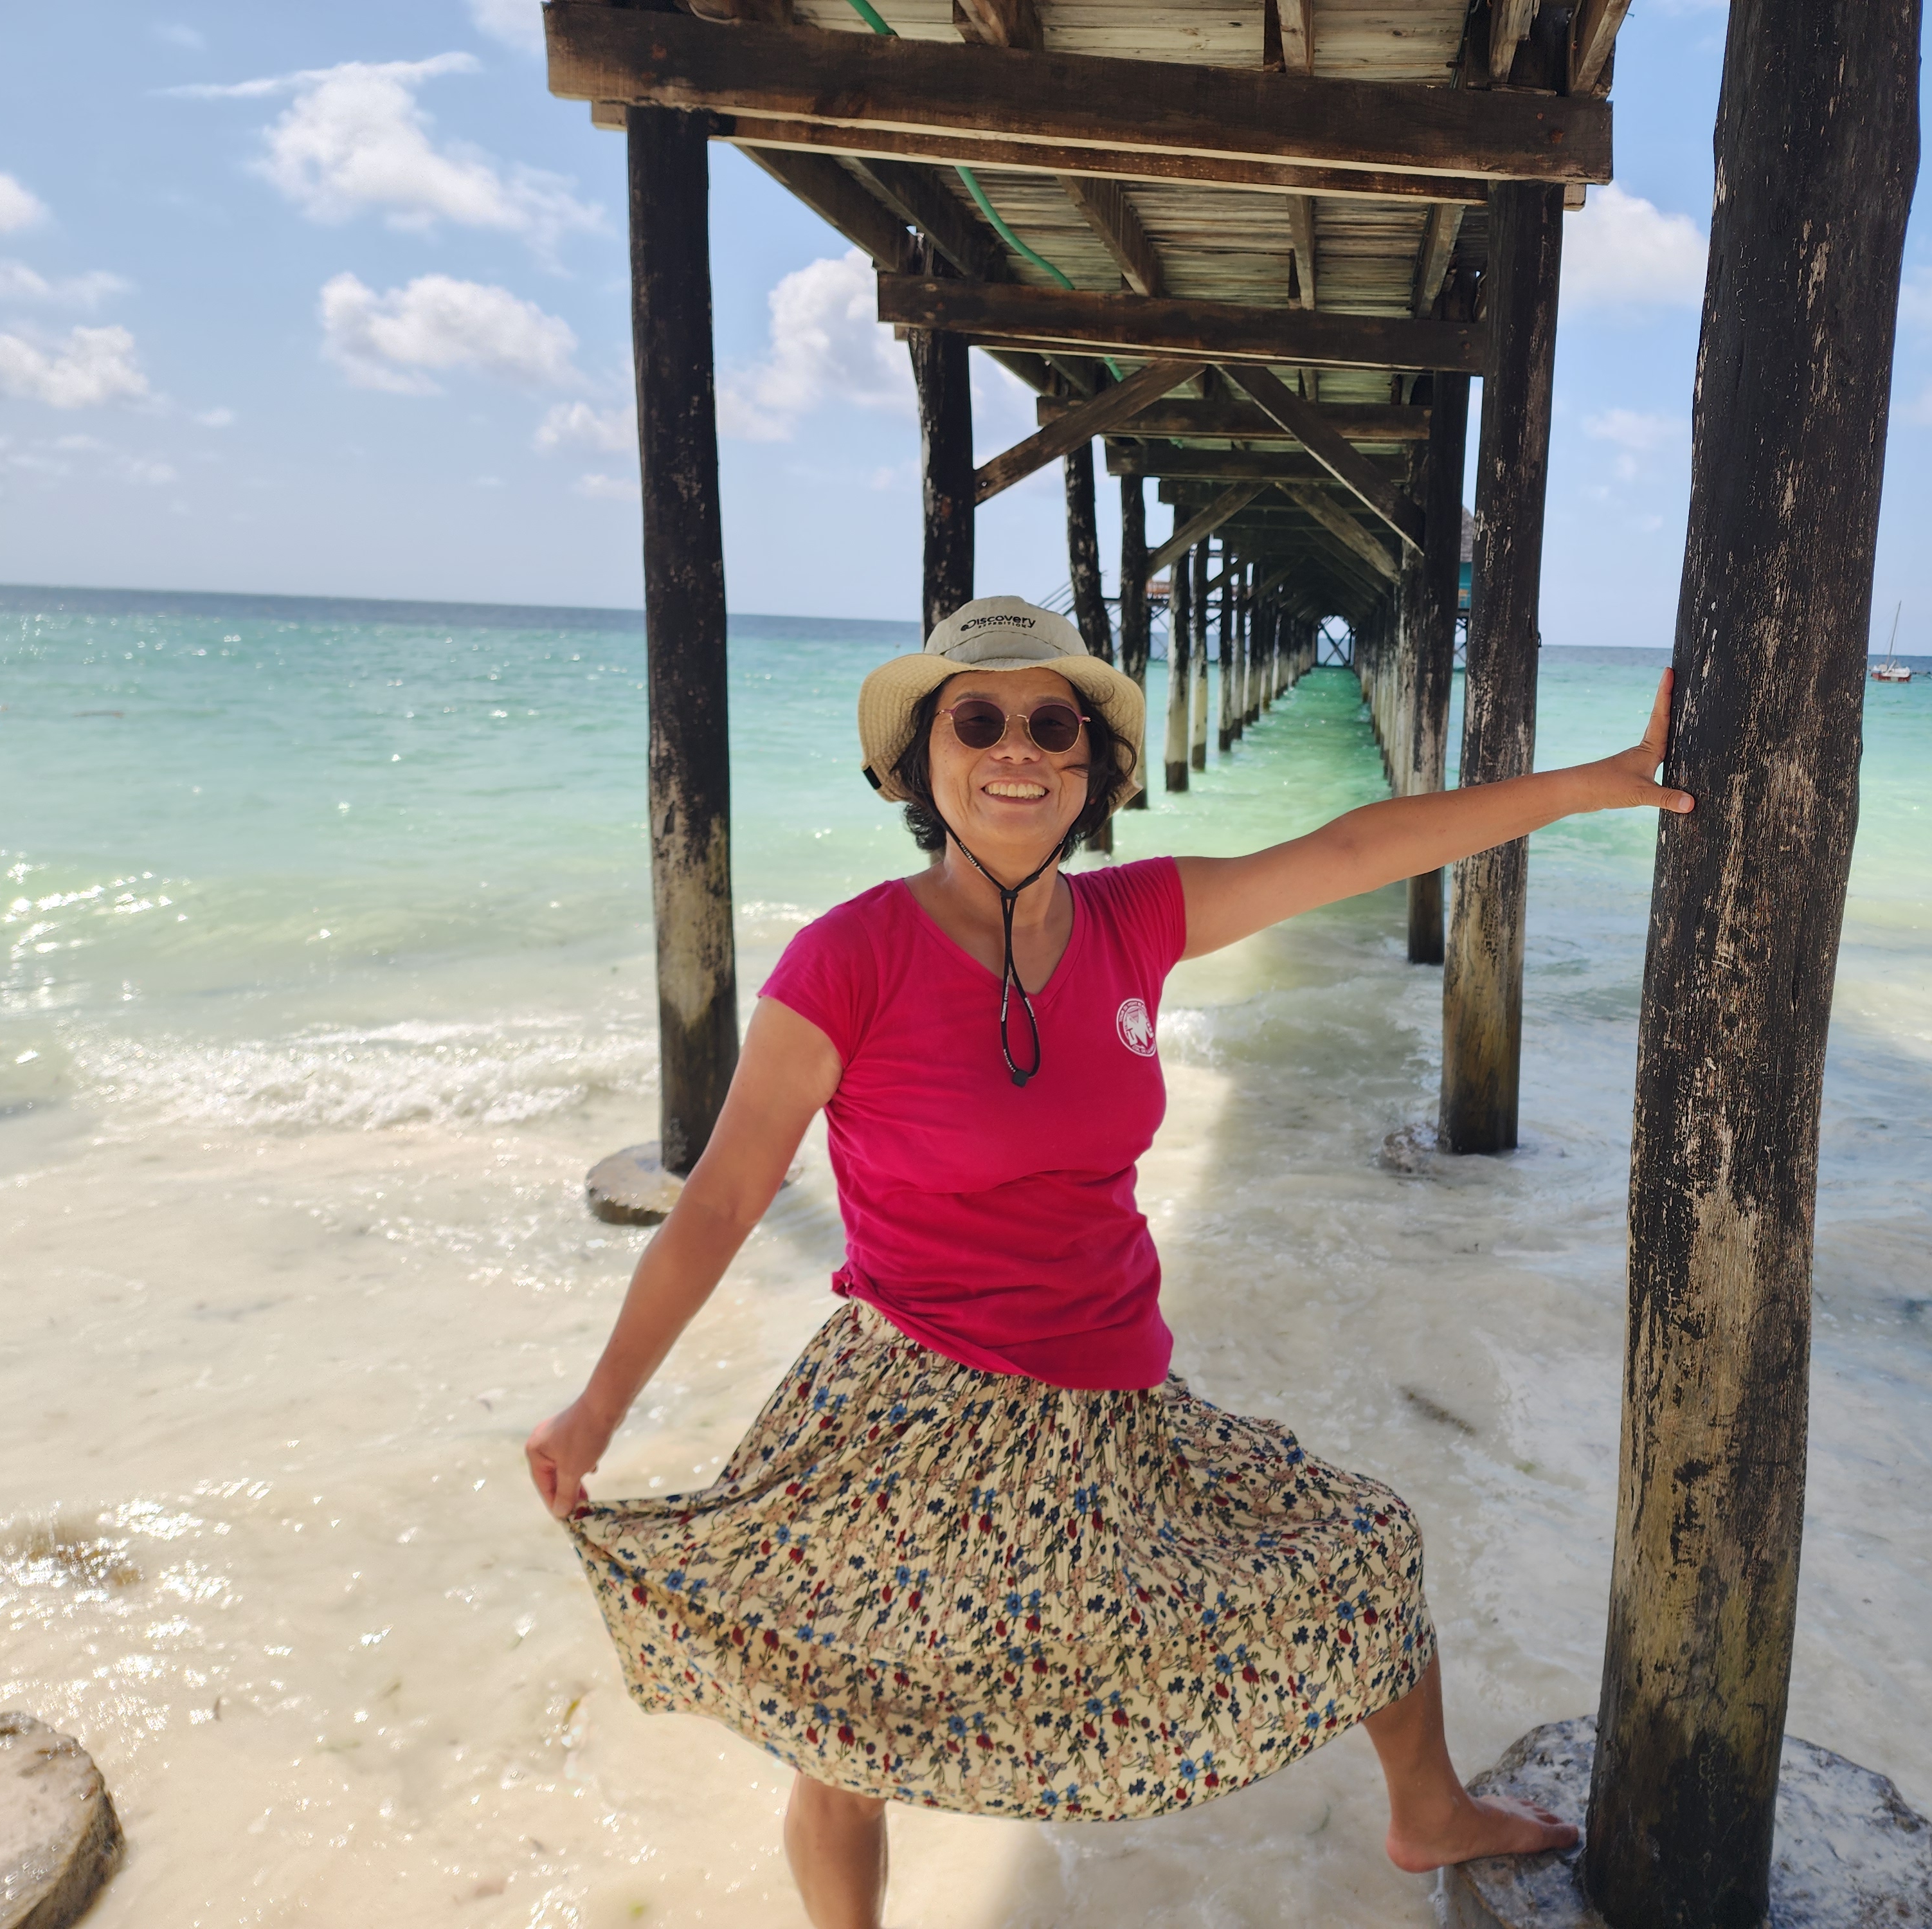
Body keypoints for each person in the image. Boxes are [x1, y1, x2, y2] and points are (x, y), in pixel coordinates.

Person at [527, 597, 1692, 1928]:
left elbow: (1356, 846)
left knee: (1363, 1547)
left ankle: (1424, 1814)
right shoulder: (846, 959)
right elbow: (723, 1202)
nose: (1016, 749)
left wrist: (1587, 786)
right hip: (914, 1417)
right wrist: (597, 1408)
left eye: (1051, 723)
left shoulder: (1136, 919)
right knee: (846, 1733)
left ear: (1092, 765)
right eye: (977, 720)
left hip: (1118, 1407)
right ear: (918, 761)